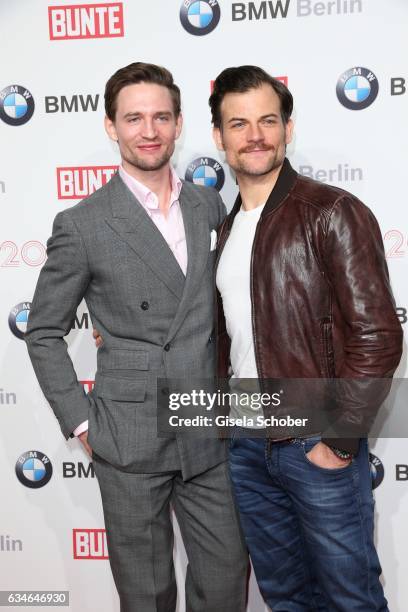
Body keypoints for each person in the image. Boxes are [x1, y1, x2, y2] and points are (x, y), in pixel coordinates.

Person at [25, 62, 247, 612]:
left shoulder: (209, 205)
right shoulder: (82, 223)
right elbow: (45, 330)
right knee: (145, 596)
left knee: (224, 586)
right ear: (110, 126)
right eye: (134, 118)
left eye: (161, 117)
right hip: (127, 436)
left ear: (178, 124)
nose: (149, 130)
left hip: (207, 427)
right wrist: (83, 423)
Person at [209, 65, 403, 610]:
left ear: (287, 129)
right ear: (219, 138)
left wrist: (339, 441)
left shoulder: (332, 212)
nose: (255, 136)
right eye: (239, 124)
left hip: (314, 442)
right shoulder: (225, 230)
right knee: (286, 597)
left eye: (268, 121)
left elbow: (378, 336)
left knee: (350, 598)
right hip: (247, 445)